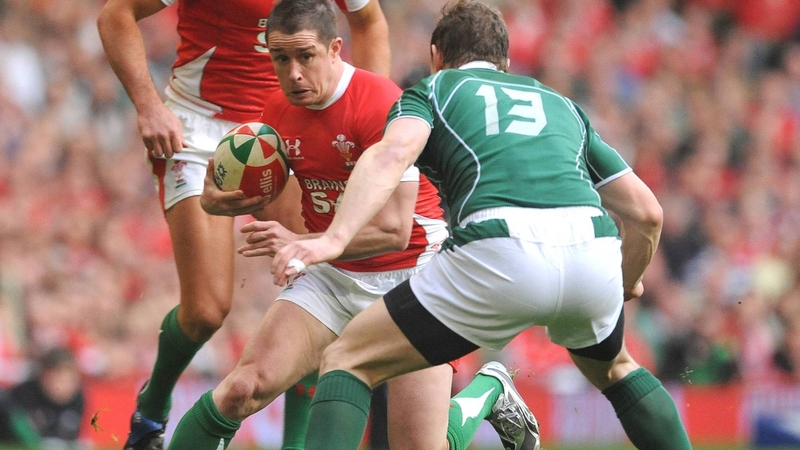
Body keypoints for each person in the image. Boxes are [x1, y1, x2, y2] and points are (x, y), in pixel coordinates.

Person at [271, 1, 694, 449]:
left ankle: (487, 387)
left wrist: (334, 238)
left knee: (346, 358)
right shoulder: (563, 107)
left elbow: (392, 155)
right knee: (616, 368)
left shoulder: (434, 90)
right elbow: (647, 214)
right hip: (591, 249)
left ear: (436, 56)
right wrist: (626, 281)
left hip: (496, 249)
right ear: (506, 64)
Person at [95, 0, 390, 448]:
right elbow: (116, 15)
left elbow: (369, 21)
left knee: (319, 282)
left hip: (291, 127)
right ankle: (152, 407)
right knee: (206, 312)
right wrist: (149, 106)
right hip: (199, 130)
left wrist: (366, 125)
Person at [163, 0, 454, 448]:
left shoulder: (382, 104)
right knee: (242, 388)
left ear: (336, 48)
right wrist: (218, 202)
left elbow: (395, 230)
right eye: (281, 58)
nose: (293, 72)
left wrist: (304, 242)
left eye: (305, 56)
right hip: (334, 277)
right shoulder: (276, 111)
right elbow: (266, 192)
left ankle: (489, 392)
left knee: (417, 445)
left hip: (411, 280)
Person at [0, 347, 85, 449]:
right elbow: (24, 437)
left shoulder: (78, 400)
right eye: (59, 380)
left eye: (69, 381)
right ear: (43, 377)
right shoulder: (21, 397)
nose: (64, 386)